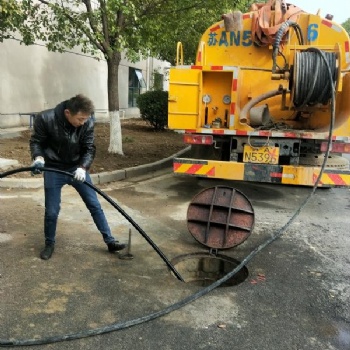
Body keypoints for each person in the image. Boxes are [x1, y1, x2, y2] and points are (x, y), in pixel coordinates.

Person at [30, 94, 126, 260]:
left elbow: (89, 148)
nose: (83, 122)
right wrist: (38, 158)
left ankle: (110, 241)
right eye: (80, 119)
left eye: (85, 119)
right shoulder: (45, 118)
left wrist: (83, 167)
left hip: (76, 169)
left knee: (94, 204)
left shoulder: (87, 121)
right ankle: (49, 243)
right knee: (52, 211)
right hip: (54, 168)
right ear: (68, 113)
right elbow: (37, 142)